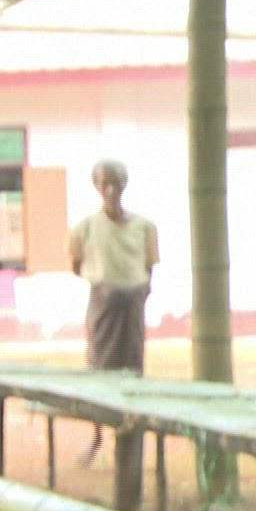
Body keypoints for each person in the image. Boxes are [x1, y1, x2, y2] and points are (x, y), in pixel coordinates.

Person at [68, 158, 159, 464]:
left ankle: (130, 434)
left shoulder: (144, 227)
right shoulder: (85, 228)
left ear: (125, 185)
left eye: (116, 183)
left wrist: (138, 290)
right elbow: (76, 265)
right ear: (96, 187)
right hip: (103, 303)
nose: (110, 190)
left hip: (133, 303)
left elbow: (149, 266)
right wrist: (105, 285)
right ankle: (97, 436)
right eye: (104, 183)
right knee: (99, 365)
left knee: (132, 364)